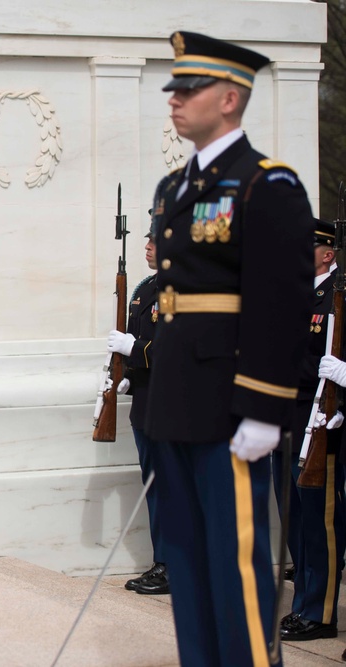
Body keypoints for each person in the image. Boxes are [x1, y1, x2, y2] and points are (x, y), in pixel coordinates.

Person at [145, 32, 313, 666]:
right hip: (179, 397)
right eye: (174, 90)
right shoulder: (173, 188)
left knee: (235, 557)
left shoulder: (266, 183)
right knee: (185, 556)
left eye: (189, 90)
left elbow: (281, 302)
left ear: (231, 98)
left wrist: (266, 406)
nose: (176, 101)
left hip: (231, 402)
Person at [272, 218, 345, 643]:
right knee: (294, 515)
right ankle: (303, 603)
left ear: (327, 253)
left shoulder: (338, 295)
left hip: (317, 413)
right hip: (284, 412)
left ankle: (320, 611)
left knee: (320, 517)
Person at [108, 182, 169, 596]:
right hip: (145, 404)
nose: (147, 246)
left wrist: (136, 350)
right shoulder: (146, 289)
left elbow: (174, 350)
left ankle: (171, 563)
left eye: (154, 239)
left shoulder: (180, 289)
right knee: (154, 487)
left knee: (168, 488)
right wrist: (125, 373)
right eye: (146, 239)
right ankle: (161, 560)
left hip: (170, 407)